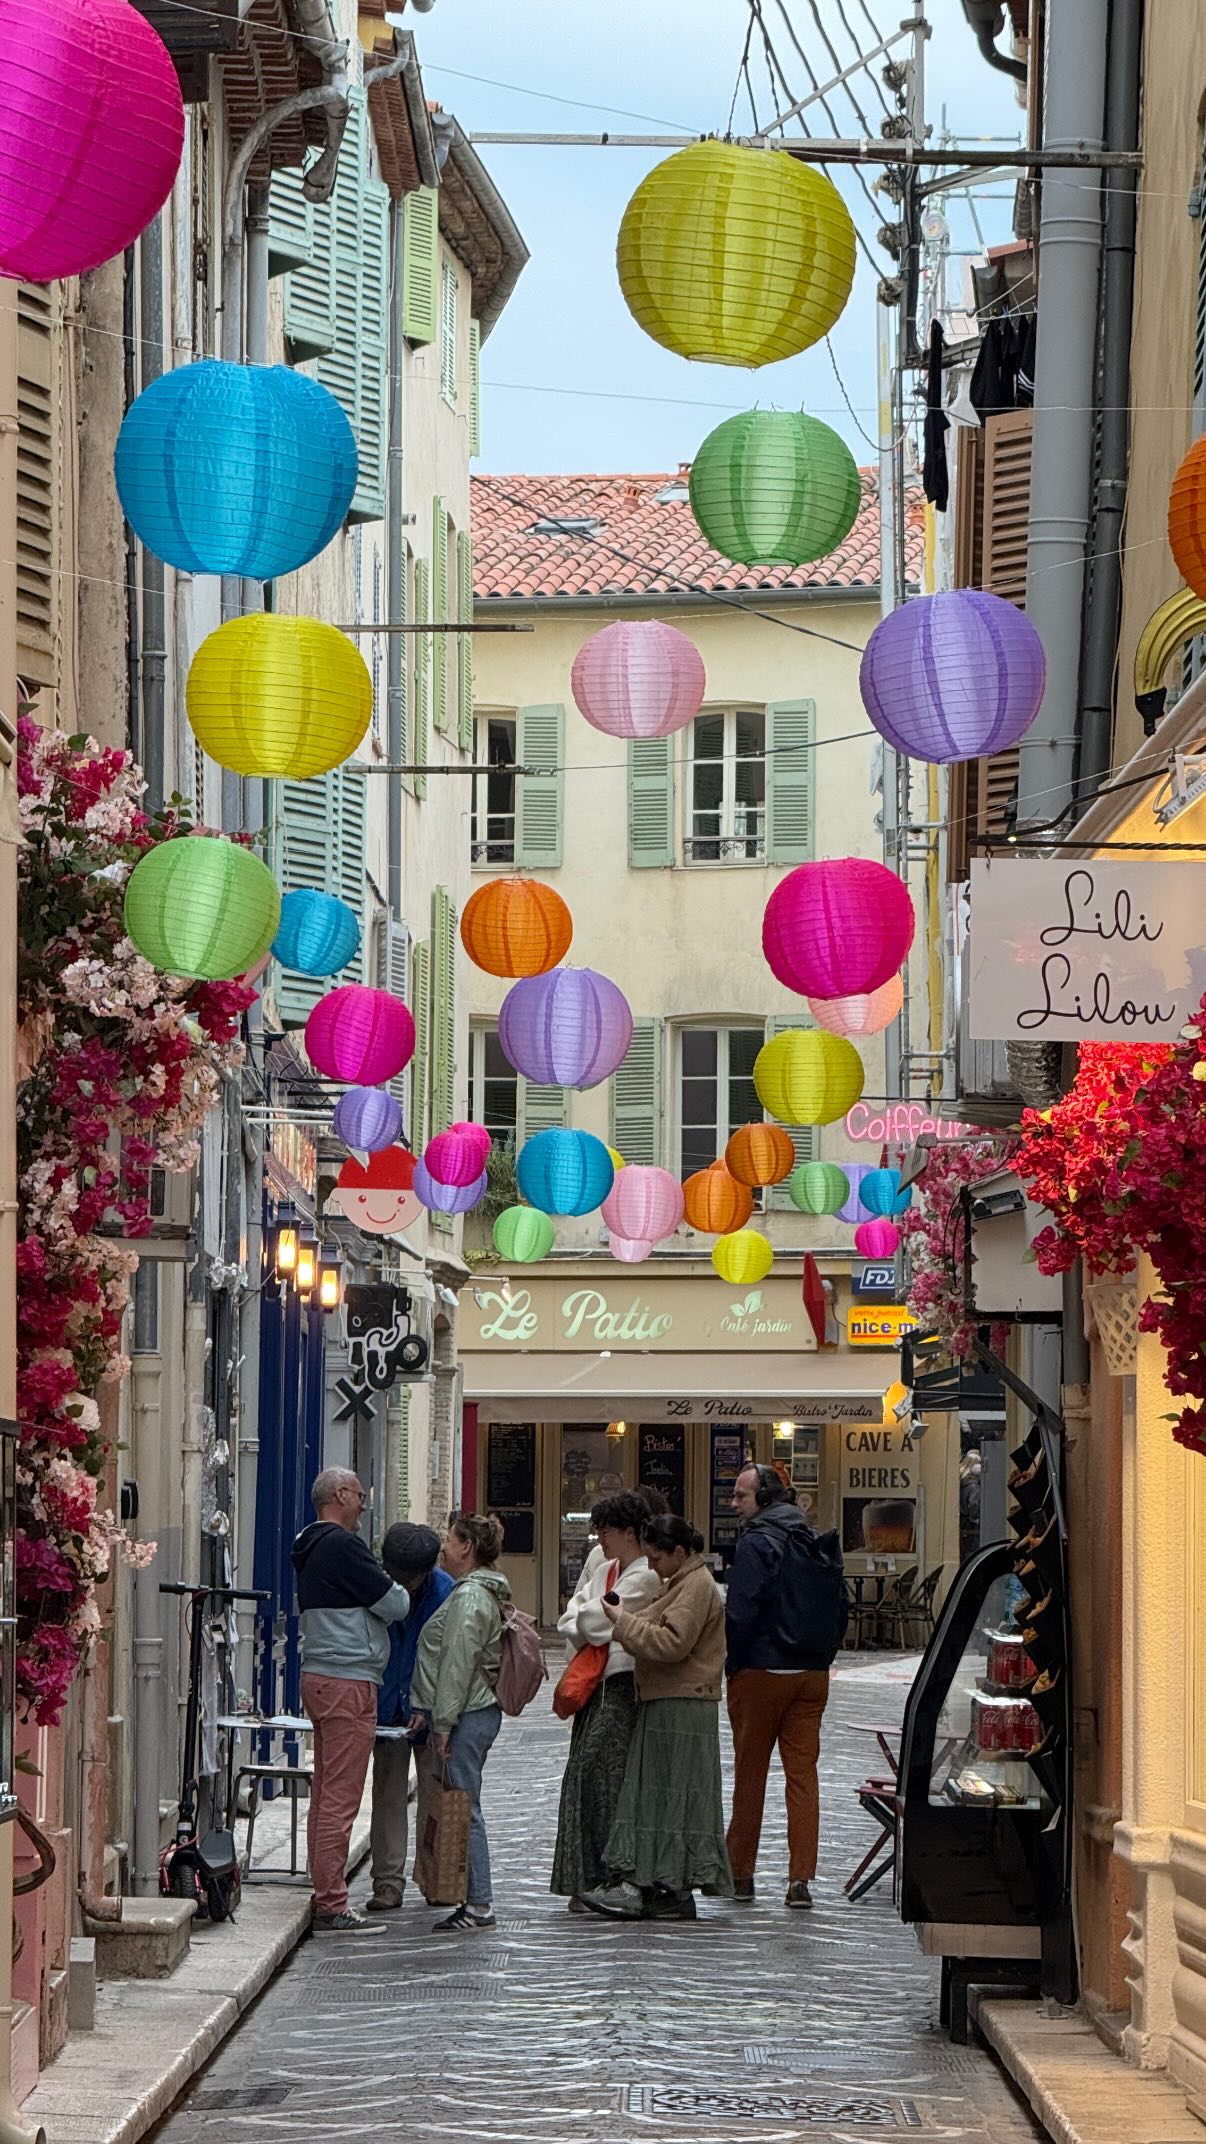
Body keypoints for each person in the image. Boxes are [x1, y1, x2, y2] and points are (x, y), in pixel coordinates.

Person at [581, 1514, 731, 1922]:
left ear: (679, 1553)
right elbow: (654, 1617)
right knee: (657, 1795)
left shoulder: (696, 1587)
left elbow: (672, 1642)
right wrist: (624, 1617)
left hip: (682, 1704)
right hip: (668, 1701)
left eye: (656, 1558)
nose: (651, 1567)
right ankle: (664, 1886)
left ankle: (664, 1885)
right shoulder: (680, 1583)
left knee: (667, 1796)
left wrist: (621, 1623)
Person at [292, 1468, 411, 1932]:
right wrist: (391, 1585)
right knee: (340, 1798)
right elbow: (395, 1604)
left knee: (325, 1794)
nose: (364, 1504)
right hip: (348, 1679)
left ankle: (323, 1886)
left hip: (319, 1674)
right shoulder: (343, 1546)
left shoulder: (307, 1544)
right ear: (340, 1495)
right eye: (360, 1495)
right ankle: (332, 1903)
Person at [724, 1462, 847, 1909]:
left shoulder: (758, 1542)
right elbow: (841, 1607)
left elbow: (741, 1612)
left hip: (761, 1670)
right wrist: (822, 1658)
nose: (734, 1503)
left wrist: (736, 1664)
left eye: (741, 1496)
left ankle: (740, 1871)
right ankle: (800, 1879)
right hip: (811, 1675)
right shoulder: (814, 1539)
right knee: (802, 1777)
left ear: (764, 1499)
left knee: (750, 1774)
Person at [551, 1490, 662, 1910]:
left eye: (607, 1530)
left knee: (604, 1774)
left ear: (630, 1532)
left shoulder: (645, 1576)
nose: (600, 1538)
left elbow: (596, 1621)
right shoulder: (608, 1568)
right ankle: (589, 1875)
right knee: (584, 1777)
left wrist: (590, 1618)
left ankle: (617, 1873)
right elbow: (575, 1618)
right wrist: (590, 1617)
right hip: (594, 1686)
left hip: (622, 1684)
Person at [410, 1510, 510, 1933]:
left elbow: (456, 1663)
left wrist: (444, 1723)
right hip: (472, 1709)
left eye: (449, 1540)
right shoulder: (478, 1591)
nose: (443, 1549)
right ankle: (472, 1896)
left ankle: (480, 1902)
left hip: (468, 1711)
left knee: (466, 1807)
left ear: (466, 1548)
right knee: (464, 1804)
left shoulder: (469, 1597)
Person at [366, 1522, 455, 1912]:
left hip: (432, 1709)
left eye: (412, 1579)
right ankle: (387, 1882)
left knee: (437, 1794)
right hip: (387, 1708)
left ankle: (436, 1878)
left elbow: (448, 1660)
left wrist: (431, 1708)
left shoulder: (446, 1594)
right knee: (387, 1794)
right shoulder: (376, 1585)